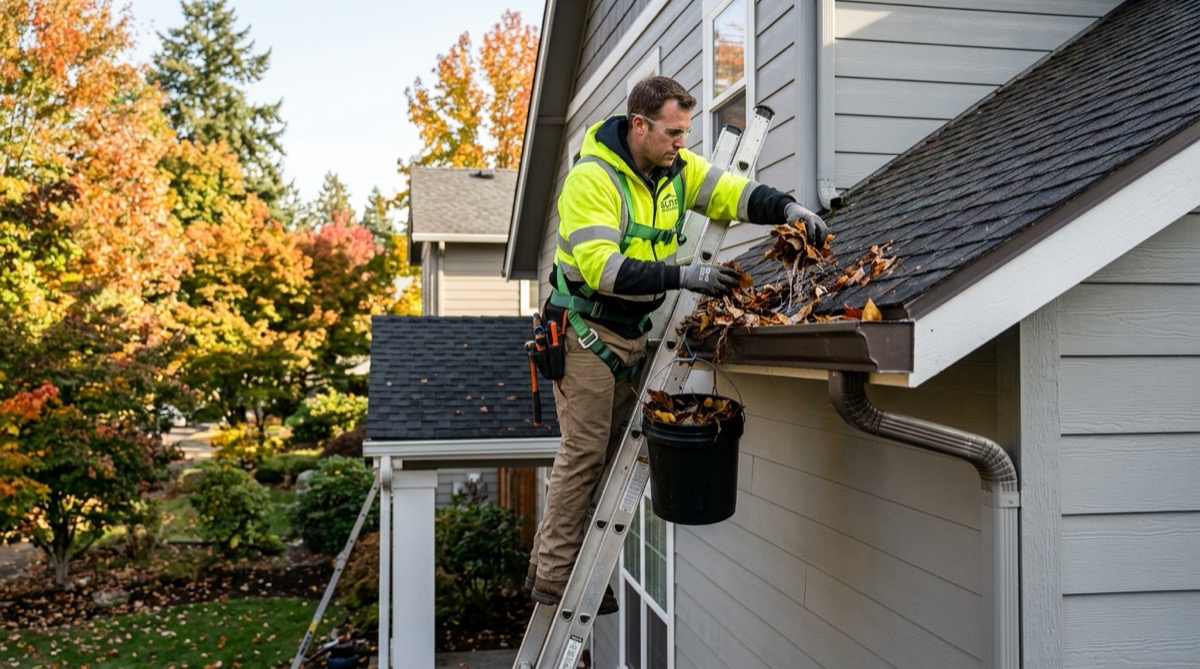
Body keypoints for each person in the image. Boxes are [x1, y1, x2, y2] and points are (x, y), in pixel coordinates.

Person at [528, 75, 829, 613]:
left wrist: (787, 209)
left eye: (686, 133)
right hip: (586, 331)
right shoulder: (593, 180)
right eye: (672, 132)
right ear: (639, 124)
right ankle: (554, 574)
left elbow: (730, 192)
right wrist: (682, 277)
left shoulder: (674, 169)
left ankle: (565, 565)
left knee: (614, 448)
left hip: (632, 332)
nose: (681, 144)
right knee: (586, 451)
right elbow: (602, 270)